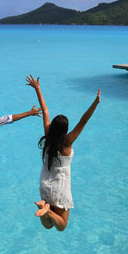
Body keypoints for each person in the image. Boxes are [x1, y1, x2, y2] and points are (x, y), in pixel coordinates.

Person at [25, 74, 100, 231]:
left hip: (45, 185)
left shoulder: (47, 137)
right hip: (60, 188)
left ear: (52, 127)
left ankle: (45, 208)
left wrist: (37, 88)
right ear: (65, 130)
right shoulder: (67, 142)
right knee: (61, 226)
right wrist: (95, 103)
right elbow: (83, 121)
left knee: (47, 226)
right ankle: (46, 210)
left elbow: (45, 110)